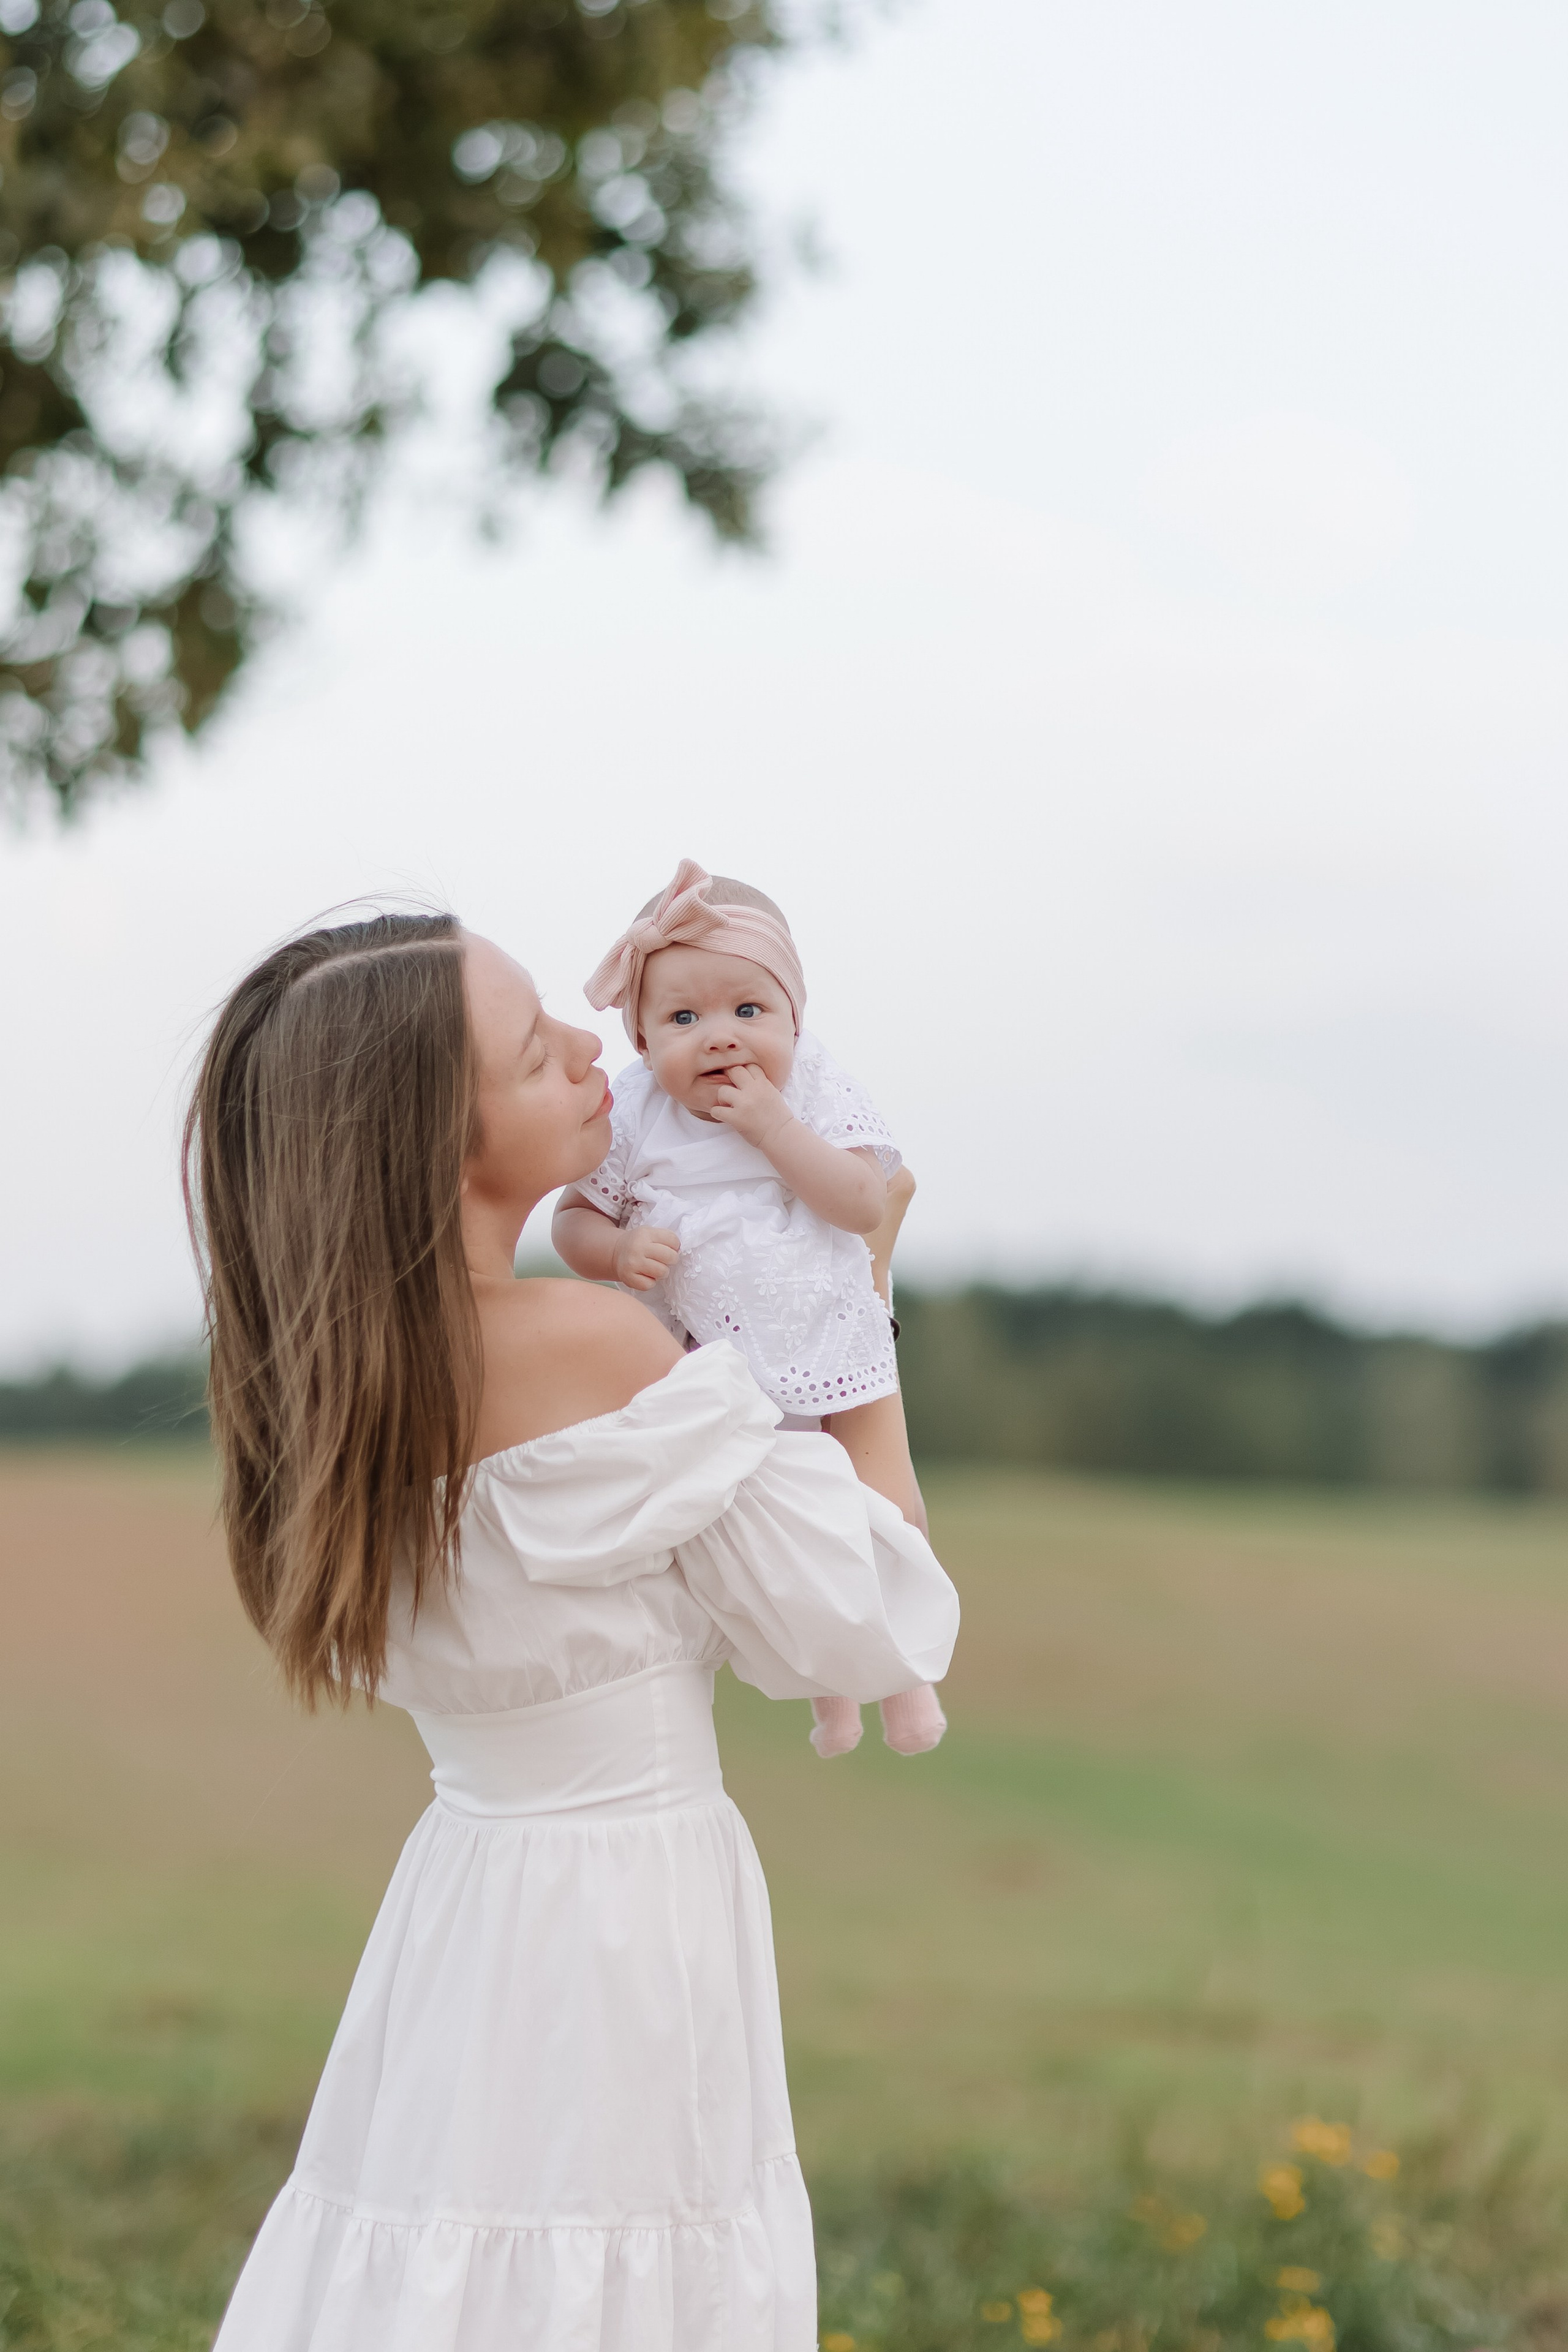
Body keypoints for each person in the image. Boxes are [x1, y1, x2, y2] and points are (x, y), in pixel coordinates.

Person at [189, 911, 959, 2352]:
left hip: (465, 1902)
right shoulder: (600, 1347)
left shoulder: (335, 1387)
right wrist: (865, 1291)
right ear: (435, 1139)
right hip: (623, 1918)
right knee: (618, 2275)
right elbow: (860, 1617)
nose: (593, 1046)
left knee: (440, 2257)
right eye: (536, 1050)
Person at [552, 858, 946, 1762]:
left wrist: (772, 1127)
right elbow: (571, 1221)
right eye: (684, 1019)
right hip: (719, 1364)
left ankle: (909, 1675)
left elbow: (859, 1202)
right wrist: (615, 1252)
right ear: (644, 1042)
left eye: (748, 1012)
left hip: (837, 1329)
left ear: (795, 1020)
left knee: (886, 1509)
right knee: (789, 1533)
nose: (721, 1037)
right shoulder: (638, 1114)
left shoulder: (810, 1086)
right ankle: (833, 1693)